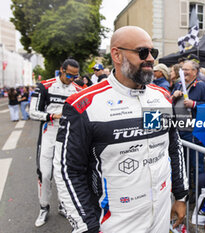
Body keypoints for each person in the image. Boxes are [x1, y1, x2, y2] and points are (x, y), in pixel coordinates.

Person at [53, 26, 188, 233]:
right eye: (143, 52)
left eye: (153, 53)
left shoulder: (160, 96)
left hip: (160, 212)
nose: (150, 58)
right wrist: (85, 225)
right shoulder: (84, 104)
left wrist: (180, 195)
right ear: (117, 55)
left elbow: (172, 146)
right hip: (115, 222)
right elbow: (68, 170)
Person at [29, 58, 82, 227]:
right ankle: (44, 207)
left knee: (64, 174)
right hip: (49, 132)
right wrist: (52, 116)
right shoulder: (45, 86)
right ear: (61, 70)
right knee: (45, 174)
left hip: (67, 135)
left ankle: (63, 205)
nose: (72, 79)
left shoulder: (78, 89)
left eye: (75, 76)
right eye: (69, 75)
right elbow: (32, 112)